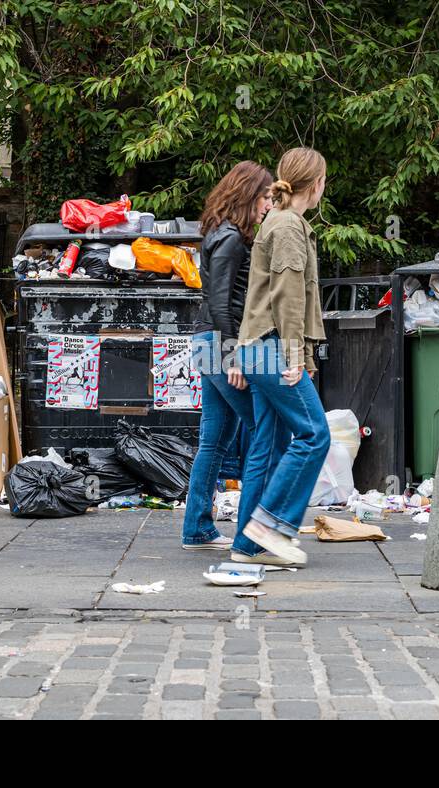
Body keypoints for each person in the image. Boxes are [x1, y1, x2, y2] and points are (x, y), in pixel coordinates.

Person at [233, 148, 330, 566]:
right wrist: (295, 355)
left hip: (258, 348)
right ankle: (269, 528)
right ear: (317, 184)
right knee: (314, 435)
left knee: (267, 448)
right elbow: (289, 297)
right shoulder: (289, 225)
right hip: (273, 349)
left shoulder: (280, 220)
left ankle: (247, 545)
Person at [180, 161, 275, 550]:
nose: (268, 204)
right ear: (248, 195)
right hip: (220, 345)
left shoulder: (222, 233)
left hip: (209, 342)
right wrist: (234, 356)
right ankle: (254, 534)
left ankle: (197, 529)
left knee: (215, 440)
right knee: (263, 429)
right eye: (265, 197)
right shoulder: (231, 238)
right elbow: (220, 301)